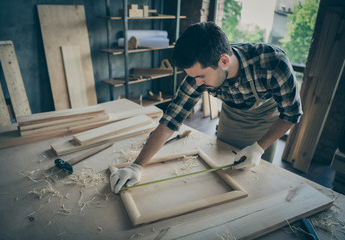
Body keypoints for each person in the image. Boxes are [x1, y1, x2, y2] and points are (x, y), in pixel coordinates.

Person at [110, 22, 303, 194]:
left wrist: (260, 147)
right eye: (193, 77)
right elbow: (170, 121)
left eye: (201, 76)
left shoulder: (273, 64)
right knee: (224, 168)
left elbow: (292, 114)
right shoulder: (198, 76)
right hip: (232, 117)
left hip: (266, 120)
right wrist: (137, 166)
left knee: (254, 182)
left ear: (224, 61)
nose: (197, 83)